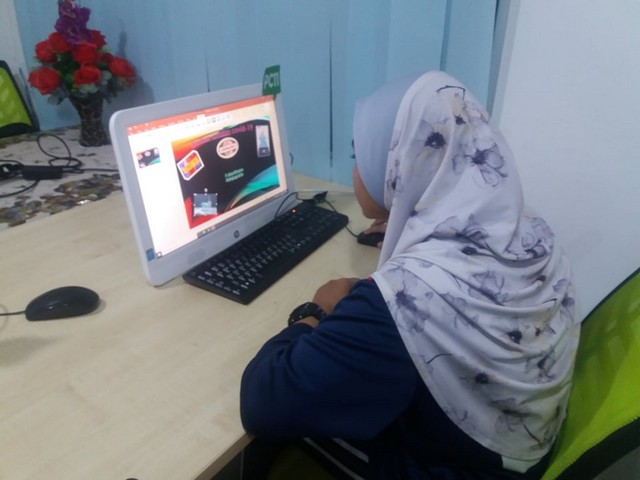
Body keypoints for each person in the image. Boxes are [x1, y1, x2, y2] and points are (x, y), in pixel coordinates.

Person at [240, 71, 580, 479]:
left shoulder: (404, 302)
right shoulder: (531, 231)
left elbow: (262, 401)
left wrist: (315, 311)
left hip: (455, 467)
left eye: (358, 156)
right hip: (520, 434)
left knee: (268, 442)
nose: (355, 171)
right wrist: (408, 231)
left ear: (403, 163)